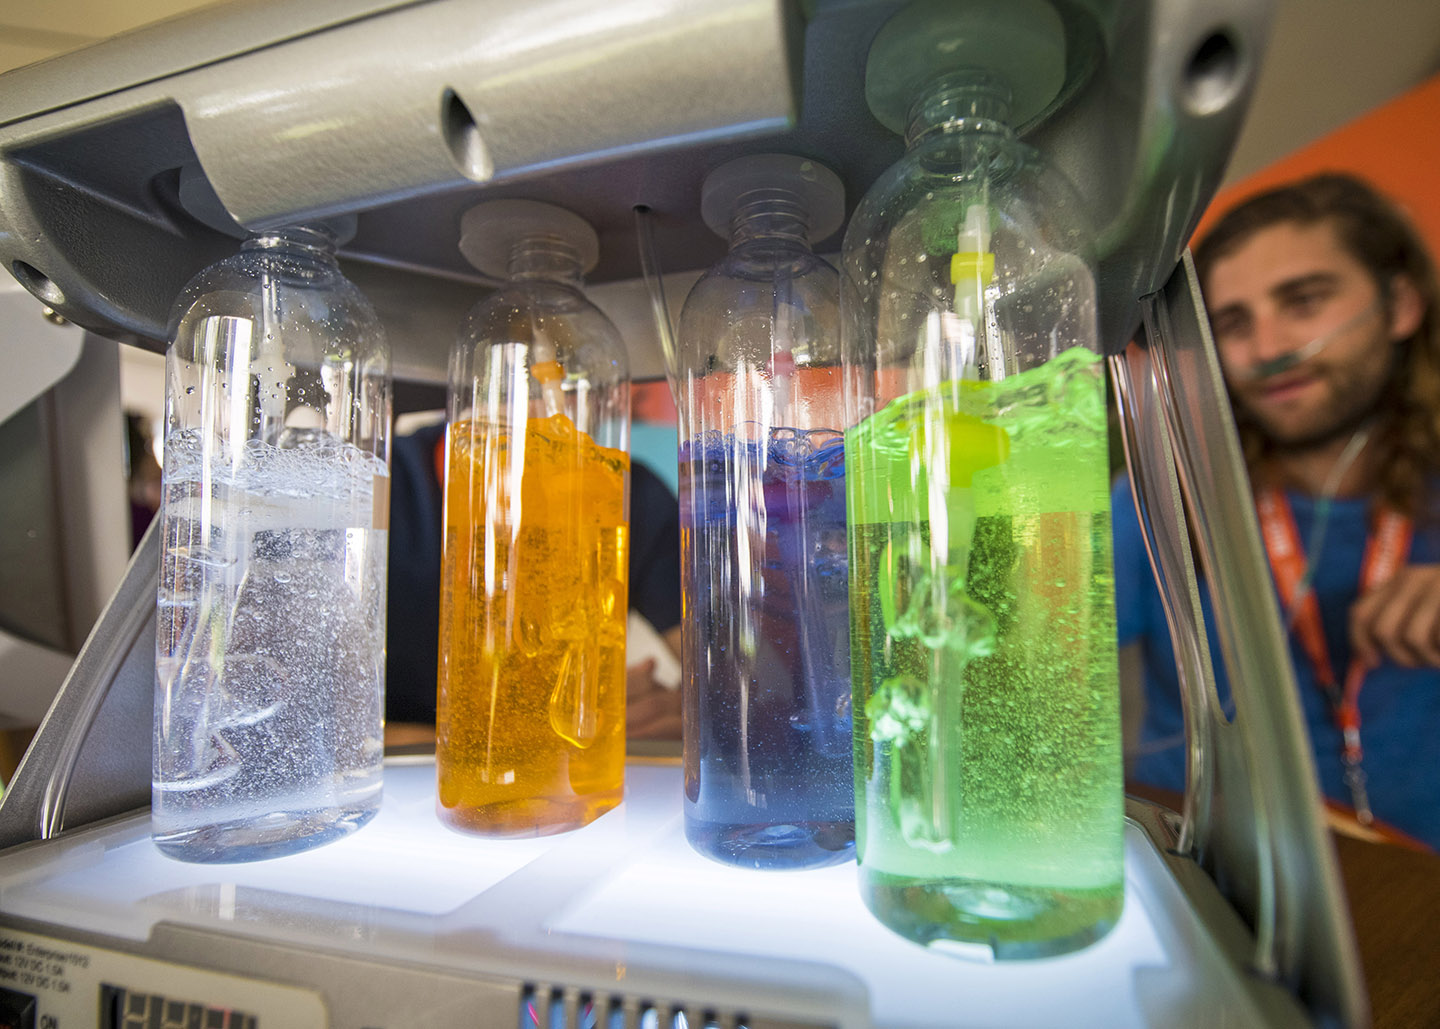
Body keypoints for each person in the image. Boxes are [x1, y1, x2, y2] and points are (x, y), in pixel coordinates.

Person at [1114, 172, 1440, 851]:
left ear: (1400, 304)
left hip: (1413, 886)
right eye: (1232, 324)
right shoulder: (1161, 498)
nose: (1268, 349)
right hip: (1213, 870)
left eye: (1304, 301)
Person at [384, 417, 683, 739]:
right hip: (401, 783)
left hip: (576, 780)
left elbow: (719, 676)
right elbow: (330, 731)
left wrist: (676, 712)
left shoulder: (624, 492)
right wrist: (522, 739)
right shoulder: (374, 485)